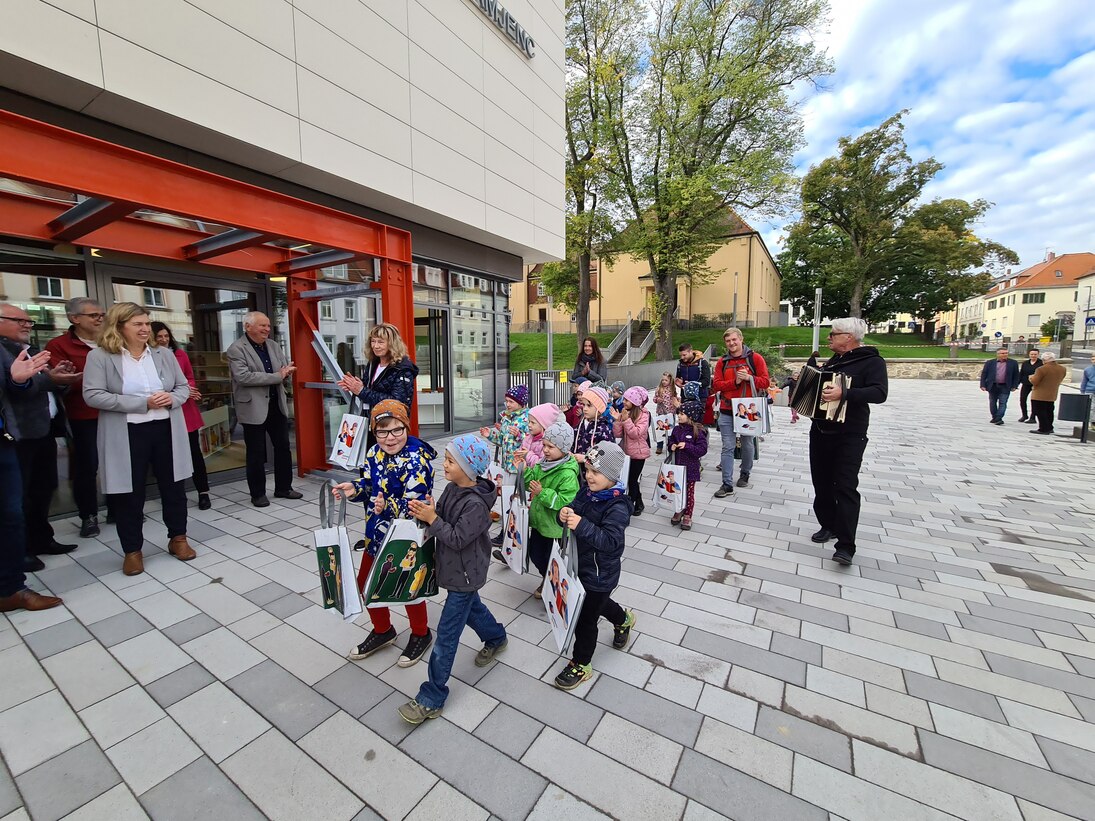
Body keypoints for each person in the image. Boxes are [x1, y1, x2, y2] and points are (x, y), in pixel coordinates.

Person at [397, 434, 508, 725]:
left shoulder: (475, 505)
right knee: (472, 609)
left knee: (447, 635)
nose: (444, 465)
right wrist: (429, 511)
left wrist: (433, 519)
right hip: (454, 569)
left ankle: (432, 696)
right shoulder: (451, 488)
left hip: (466, 573)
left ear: (469, 468)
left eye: (450, 461)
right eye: (445, 459)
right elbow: (442, 518)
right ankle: (496, 637)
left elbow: (457, 538)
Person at [83, 302, 197, 576]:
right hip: (127, 433)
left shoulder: (163, 355)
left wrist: (171, 398)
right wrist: (142, 403)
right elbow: (93, 395)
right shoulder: (100, 357)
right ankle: (132, 550)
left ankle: (178, 538)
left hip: (166, 429)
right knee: (129, 494)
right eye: (138, 324)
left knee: (174, 488)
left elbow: (184, 388)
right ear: (120, 326)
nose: (146, 329)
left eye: (147, 323)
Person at [333, 400, 436, 666]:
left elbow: (418, 503)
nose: (390, 438)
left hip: (407, 537)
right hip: (376, 535)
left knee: (407, 587)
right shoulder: (373, 454)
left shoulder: (417, 458)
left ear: (406, 427)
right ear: (374, 431)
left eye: (396, 430)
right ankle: (383, 630)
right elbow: (368, 484)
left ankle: (421, 634)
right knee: (366, 584)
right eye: (382, 431)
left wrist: (387, 505)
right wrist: (354, 489)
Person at [0, 304, 79, 569]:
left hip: (44, 430)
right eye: (18, 320)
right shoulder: (3, 352)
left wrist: (60, 380)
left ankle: (42, 539)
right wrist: (48, 380)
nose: (26, 325)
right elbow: (15, 389)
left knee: (43, 489)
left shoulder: (30, 350)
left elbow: (47, 388)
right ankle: (20, 550)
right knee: (17, 497)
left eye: (28, 321)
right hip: (15, 435)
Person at [554, 441, 636, 690]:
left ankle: (581, 663)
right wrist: (565, 514)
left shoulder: (618, 505)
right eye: (587, 470)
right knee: (597, 605)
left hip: (601, 575)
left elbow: (611, 542)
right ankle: (624, 619)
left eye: (596, 472)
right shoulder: (586, 492)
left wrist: (580, 524)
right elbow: (575, 511)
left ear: (612, 476)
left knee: (585, 619)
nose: (588, 476)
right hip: (580, 566)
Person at [808, 318, 888, 566]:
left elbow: (879, 393)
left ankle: (845, 545)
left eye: (834, 334)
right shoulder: (835, 360)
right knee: (821, 482)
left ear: (849, 337)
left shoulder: (872, 362)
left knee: (844, 486)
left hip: (850, 433)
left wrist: (846, 393)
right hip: (821, 429)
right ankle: (828, 524)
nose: (829, 337)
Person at [0, 342, 63, 613]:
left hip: (3, 441)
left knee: (10, 516)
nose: (26, 324)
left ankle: (11, 589)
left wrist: (18, 380)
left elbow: (13, 391)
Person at [46, 297, 108, 537]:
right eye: (94, 315)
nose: (100, 319)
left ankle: (117, 508)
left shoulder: (109, 342)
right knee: (87, 466)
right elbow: (62, 382)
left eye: (102, 315)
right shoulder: (59, 345)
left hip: (114, 412)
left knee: (118, 463)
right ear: (74, 318)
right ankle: (89, 515)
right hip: (84, 416)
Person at [226, 311, 302, 507]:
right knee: (256, 453)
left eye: (268, 326)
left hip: (276, 405)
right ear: (248, 327)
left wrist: (287, 371)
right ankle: (258, 494)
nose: (267, 329)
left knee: (283, 448)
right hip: (253, 408)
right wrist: (278, 375)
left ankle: (284, 488)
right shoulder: (236, 349)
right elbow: (244, 377)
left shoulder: (273, 346)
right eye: (262, 326)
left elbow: (284, 368)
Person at [152, 322, 211, 511]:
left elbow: (188, 376)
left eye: (166, 336)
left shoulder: (179, 354)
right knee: (167, 457)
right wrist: (179, 391)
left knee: (194, 452)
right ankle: (174, 495)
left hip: (185, 412)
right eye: (159, 336)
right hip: (162, 412)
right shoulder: (147, 358)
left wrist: (189, 389)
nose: (163, 340)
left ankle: (203, 492)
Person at [336, 323, 419, 450]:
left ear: (392, 343)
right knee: (368, 464)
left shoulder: (403, 369)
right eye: (373, 341)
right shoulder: (373, 364)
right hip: (371, 423)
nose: (375, 346)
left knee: (384, 465)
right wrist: (354, 386)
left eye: (380, 342)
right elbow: (369, 390)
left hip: (389, 429)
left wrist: (361, 390)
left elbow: (397, 403)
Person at [524, 420, 580, 596]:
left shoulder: (568, 473)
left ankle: (552, 584)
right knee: (535, 555)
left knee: (551, 559)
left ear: (563, 449)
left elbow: (566, 502)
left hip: (555, 528)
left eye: (551, 447)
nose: (545, 450)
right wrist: (525, 471)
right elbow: (530, 483)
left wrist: (542, 493)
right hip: (540, 523)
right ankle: (548, 580)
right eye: (544, 445)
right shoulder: (542, 463)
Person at [711, 327, 770, 496]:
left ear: (741, 339)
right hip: (727, 409)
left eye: (734, 340)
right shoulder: (722, 362)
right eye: (728, 341)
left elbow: (766, 382)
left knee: (747, 443)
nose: (731, 343)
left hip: (748, 411)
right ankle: (726, 484)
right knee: (727, 446)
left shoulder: (755, 358)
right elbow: (716, 385)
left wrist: (750, 378)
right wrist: (736, 382)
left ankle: (745, 472)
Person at [481, 385, 530, 546]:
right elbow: (502, 440)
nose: (508, 404)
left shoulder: (526, 418)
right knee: (507, 501)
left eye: (511, 401)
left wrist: (520, 435)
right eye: (507, 401)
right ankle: (505, 533)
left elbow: (532, 441)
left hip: (519, 468)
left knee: (516, 502)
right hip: (507, 466)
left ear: (521, 403)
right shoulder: (507, 417)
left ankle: (514, 534)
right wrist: (491, 435)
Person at [667, 400, 709, 531]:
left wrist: (688, 446)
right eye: (679, 413)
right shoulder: (676, 429)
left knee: (689, 493)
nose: (679, 416)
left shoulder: (698, 431)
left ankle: (688, 514)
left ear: (691, 416)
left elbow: (702, 450)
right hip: (678, 468)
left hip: (691, 469)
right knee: (677, 491)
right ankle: (679, 509)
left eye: (682, 414)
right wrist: (671, 446)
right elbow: (671, 440)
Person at [613, 386, 650, 515]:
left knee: (632, 480)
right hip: (627, 453)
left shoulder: (644, 416)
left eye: (627, 400)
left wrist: (626, 420)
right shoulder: (625, 413)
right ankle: (638, 502)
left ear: (634, 402)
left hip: (639, 454)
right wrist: (618, 420)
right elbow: (618, 434)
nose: (624, 402)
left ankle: (632, 504)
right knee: (629, 479)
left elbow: (636, 433)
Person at [571, 386, 614, 467]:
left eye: (589, 405)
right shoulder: (579, 426)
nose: (585, 409)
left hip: (594, 475)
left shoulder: (604, 429)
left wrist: (585, 458)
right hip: (577, 472)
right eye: (583, 405)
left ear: (599, 407)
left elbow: (607, 456)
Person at [1028, 351, 1067, 435]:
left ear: (1044, 360)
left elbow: (1035, 381)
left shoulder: (1041, 369)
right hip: (1052, 393)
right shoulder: (1062, 368)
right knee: (1049, 411)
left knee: (1040, 411)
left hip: (1039, 394)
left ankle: (1043, 428)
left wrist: (1031, 377)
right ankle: (1049, 427)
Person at [980, 347, 1020, 425]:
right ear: (997, 354)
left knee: (1003, 402)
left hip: (1005, 386)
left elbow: (1016, 375)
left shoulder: (1013, 363)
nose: (1005, 355)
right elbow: (984, 374)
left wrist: (1015, 385)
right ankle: (994, 417)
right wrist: (983, 385)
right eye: (1002, 353)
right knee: (992, 402)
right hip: (993, 385)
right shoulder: (990, 363)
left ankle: (999, 418)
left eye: (1006, 353)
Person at [514, 403, 561, 469]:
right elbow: (523, 450)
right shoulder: (528, 438)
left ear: (544, 425)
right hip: (527, 475)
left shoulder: (547, 443)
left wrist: (527, 455)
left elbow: (543, 465)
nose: (529, 425)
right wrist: (519, 456)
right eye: (529, 421)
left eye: (533, 422)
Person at [652, 372, 679, 455]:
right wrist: (657, 400)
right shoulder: (658, 388)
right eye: (663, 380)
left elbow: (675, 398)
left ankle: (670, 445)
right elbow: (654, 399)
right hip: (661, 412)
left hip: (671, 413)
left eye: (666, 380)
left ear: (670, 381)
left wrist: (677, 400)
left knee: (670, 430)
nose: (664, 382)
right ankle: (659, 446)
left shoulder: (673, 389)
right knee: (660, 430)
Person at [1017, 349, 1043, 424]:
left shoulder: (1041, 363)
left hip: (1036, 384)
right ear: (1029, 355)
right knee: (1022, 399)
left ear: (1038, 355)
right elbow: (1021, 373)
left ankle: (1033, 417)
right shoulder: (1025, 363)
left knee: (1034, 400)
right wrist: (1017, 383)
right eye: (1032, 354)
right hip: (1026, 383)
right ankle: (1024, 415)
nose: (1033, 356)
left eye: (1035, 354)